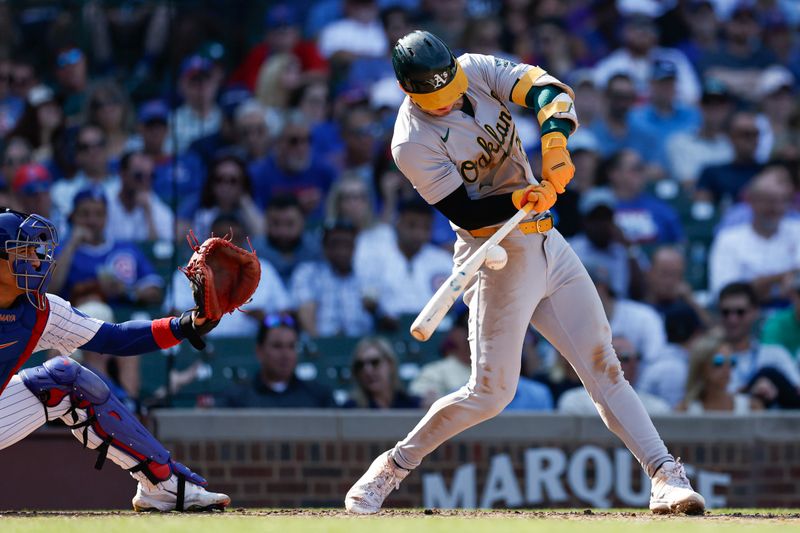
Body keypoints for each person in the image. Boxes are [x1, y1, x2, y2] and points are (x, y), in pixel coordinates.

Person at [344, 30, 704, 516]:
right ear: (409, 92)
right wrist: (518, 197)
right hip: (495, 254)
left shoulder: (473, 69)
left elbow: (545, 89)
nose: (447, 104)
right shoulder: (411, 141)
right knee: (491, 394)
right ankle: (392, 466)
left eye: (450, 91)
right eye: (434, 99)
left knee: (604, 365)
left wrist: (554, 142)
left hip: (547, 241)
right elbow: (467, 213)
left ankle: (664, 475)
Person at [0, 208, 229, 511]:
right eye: (22, 251)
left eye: (35, 250)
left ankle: (164, 488)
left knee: (64, 379)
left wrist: (184, 325)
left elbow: (114, 337)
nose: (35, 260)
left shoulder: (40, 310)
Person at [217, 313, 335, 408]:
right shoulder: (236, 400)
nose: (285, 354)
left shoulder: (319, 397)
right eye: (277, 346)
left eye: (291, 346)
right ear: (260, 351)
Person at [558, 336, 670, 415]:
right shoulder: (575, 401)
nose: (633, 364)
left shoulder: (656, 407)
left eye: (637, 357)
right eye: (625, 358)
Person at [344, 337, 422, 409]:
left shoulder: (413, 405)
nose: (367, 370)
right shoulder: (350, 409)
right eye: (360, 365)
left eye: (375, 362)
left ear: (390, 364)